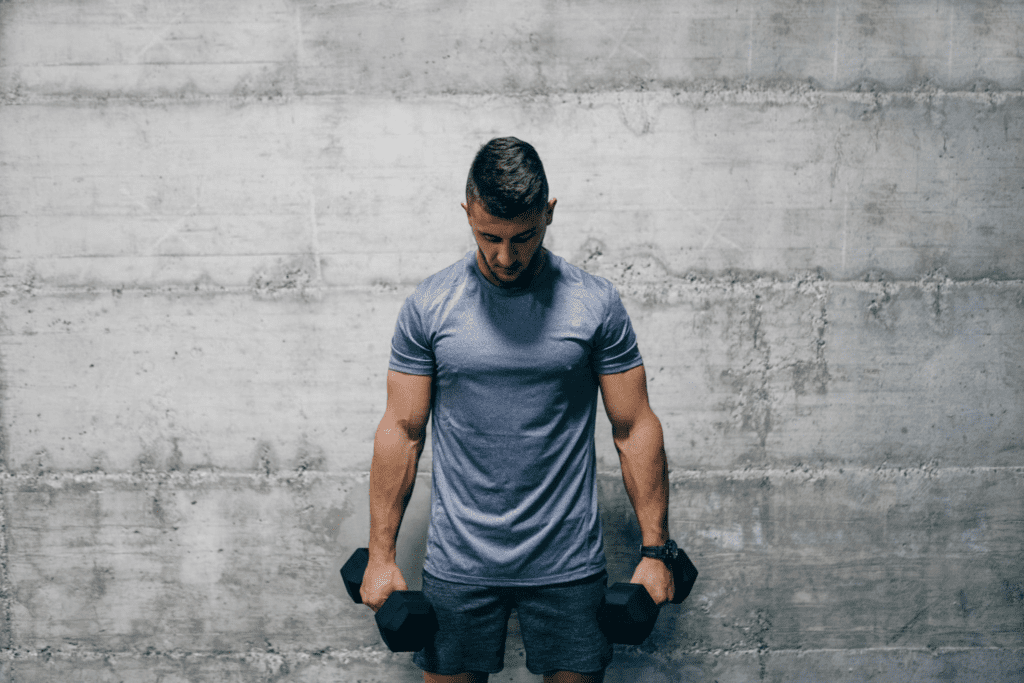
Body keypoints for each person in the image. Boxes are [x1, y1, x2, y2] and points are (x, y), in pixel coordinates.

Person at [361, 137, 675, 683]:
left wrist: (656, 549)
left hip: (567, 563)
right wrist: (381, 555)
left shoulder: (594, 303)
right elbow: (402, 431)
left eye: (523, 237)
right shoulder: (429, 306)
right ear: (468, 214)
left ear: (549, 213)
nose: (505, 256)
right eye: (489, 237)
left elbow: (634, 426)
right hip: (459, 563)